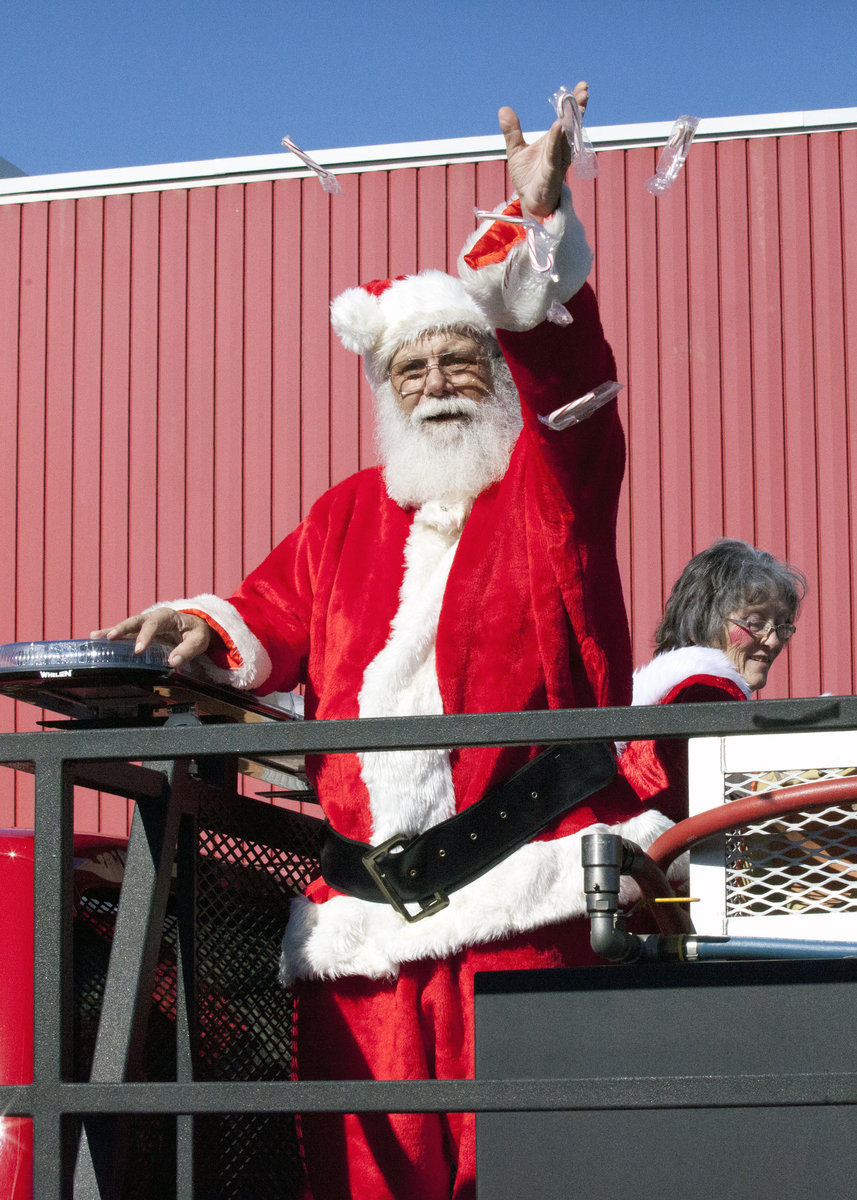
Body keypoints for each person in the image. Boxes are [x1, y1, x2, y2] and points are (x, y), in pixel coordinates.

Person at [93, 84, 673, 1200]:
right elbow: (268, 616)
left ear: (498, 371)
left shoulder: (545, 489)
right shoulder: (345, 513)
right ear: (385, 392)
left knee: (538, 1173)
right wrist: (201, 627)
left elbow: (576, 402)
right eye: (412, 369)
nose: (437, 384)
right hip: (361, 924)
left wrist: (534, 237)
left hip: (525, 902)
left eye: (462, 360)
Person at [620, 538, 806, 825]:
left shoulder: (672, 695)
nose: (772, 641)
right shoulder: (707, 693)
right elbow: (751, 796)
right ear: (701, 622)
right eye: (755, 623)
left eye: (782, 626)